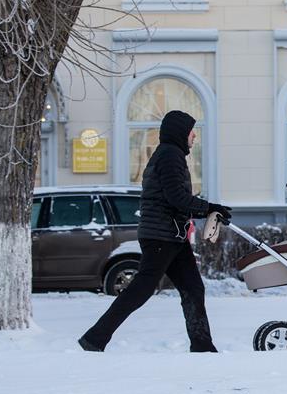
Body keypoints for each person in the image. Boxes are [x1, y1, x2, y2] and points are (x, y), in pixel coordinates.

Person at [79, 110, 231, 353]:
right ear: (181, 132)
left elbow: (175, 197)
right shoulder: (170, 155)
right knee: (142, 288)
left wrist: (207, 209)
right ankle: (95, 338)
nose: (195, 137)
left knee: (192, 287)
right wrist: (209, 208)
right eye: (192, 131)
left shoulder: (170, 155)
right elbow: (176, 198)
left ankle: (202, 346)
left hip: (171, 235)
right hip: (162, 235)